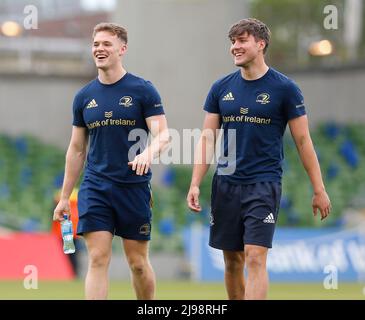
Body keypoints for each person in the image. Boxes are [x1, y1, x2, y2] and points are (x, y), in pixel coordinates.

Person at [186, 18, 331, 300]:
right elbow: (207, 138)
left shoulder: (285, 89)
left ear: (260, 44)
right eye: (233, 42)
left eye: (242, 41)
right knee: (232, 262)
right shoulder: (220, 88)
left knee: (254, 257)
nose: (235, 47)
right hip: (225, 184)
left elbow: (303, 141)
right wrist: (195, 183)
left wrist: (319, 188)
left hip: (263, 185)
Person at [53, 22, 169, 300]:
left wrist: (147, 153)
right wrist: (64, 197)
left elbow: (164, 135)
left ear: (122, 49)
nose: (99, 49)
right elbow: (77, 150)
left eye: (106, 44)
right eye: (96, 44)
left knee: (138, 264)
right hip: (96, 188)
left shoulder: (143, 90)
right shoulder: (84, 97)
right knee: (97, 258)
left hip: (133, 187)